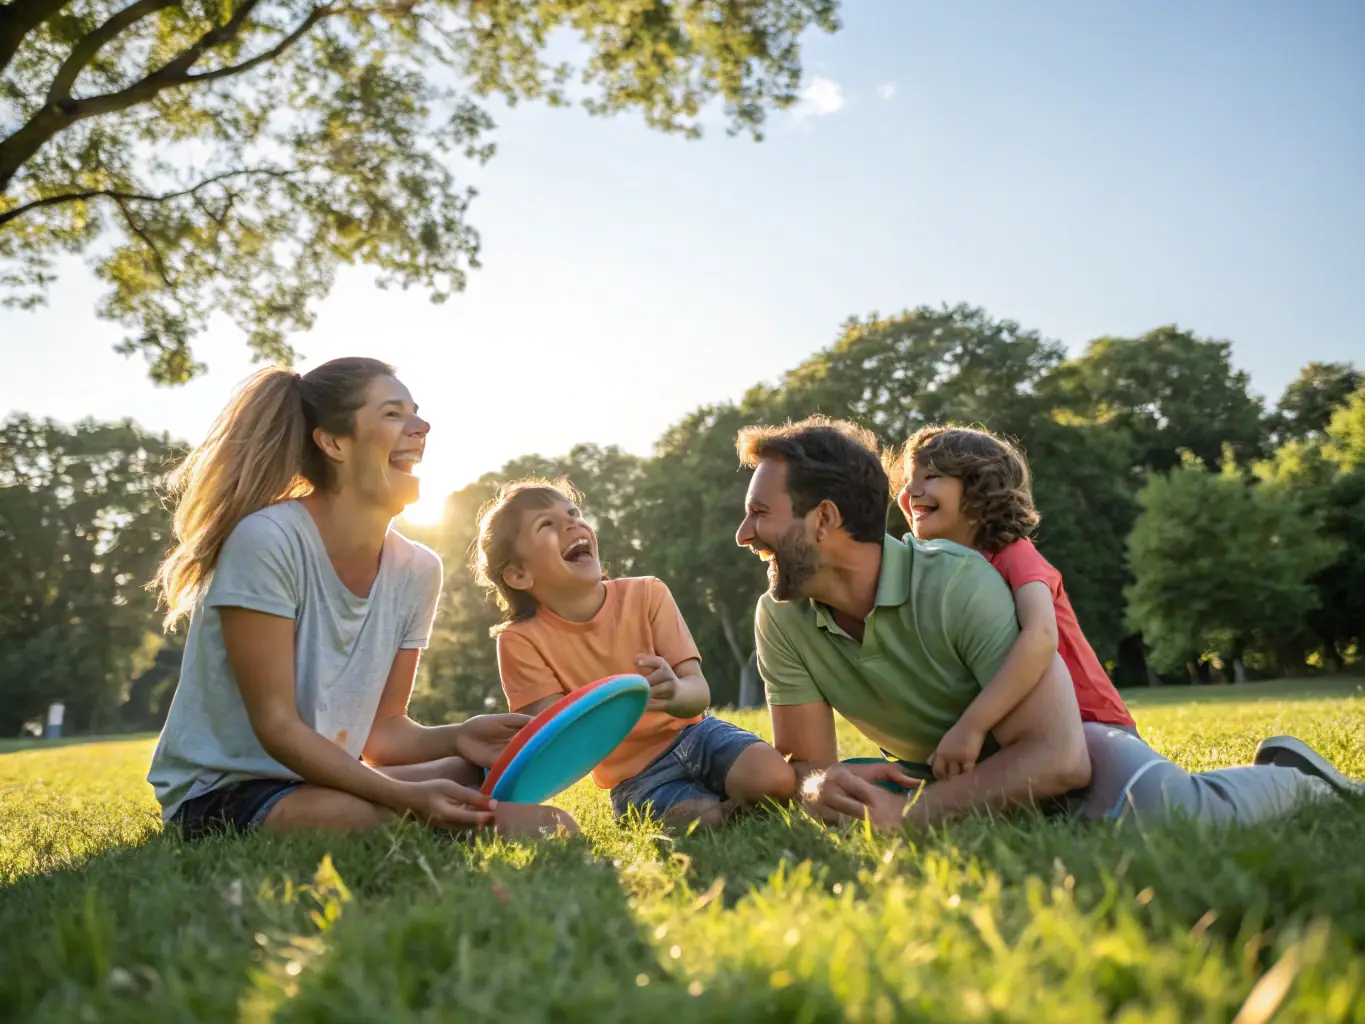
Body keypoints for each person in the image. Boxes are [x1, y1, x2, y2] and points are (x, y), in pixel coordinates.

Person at [733, 415, 1355, 833]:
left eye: (760, 513)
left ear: (824, 519)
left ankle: (1293, 780)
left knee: (1176, 814)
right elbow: (807, 763)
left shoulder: (957, 578)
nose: (743, 535)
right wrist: (818, 785)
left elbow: (1060, 755)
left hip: (1074, 735)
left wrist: (913, 815)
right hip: (962, 767)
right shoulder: (780, 616)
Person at [147, 358, 576, 841]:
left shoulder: (417, 569)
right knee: (523, 821)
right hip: (226, 795)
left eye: (415, 412)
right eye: (393, 414)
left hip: (319, 780)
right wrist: (403, 798)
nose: (421, 426)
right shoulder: (267, 540)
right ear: (333, 443)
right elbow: (277, 725)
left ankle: (417, 805)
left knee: (468, 775)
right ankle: (427, 818)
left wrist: (458, 736)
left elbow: (382, 730)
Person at [475, 479, 797, 829]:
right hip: (637, 776)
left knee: (774, 780)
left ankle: (728, 799)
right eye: (546, 525)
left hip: (699, 735)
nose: (572, 524)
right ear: (519, 574)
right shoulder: (518, 640)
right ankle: (716, 807)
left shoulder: (647, 594)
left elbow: (698, 693)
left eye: (573, 514)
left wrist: (675, 691)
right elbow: (554, 739)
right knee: (699, 819)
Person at [892, 424, 1137, 782]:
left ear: (980, 492)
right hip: (1026, 733)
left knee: (1149, 801)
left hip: (1091, 727)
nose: (910, 491)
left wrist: (972, 726)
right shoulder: (941, 573)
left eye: (930, 476)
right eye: (908, 480)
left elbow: (1040, 637)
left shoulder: (1014, 554)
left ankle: (1250, 779)